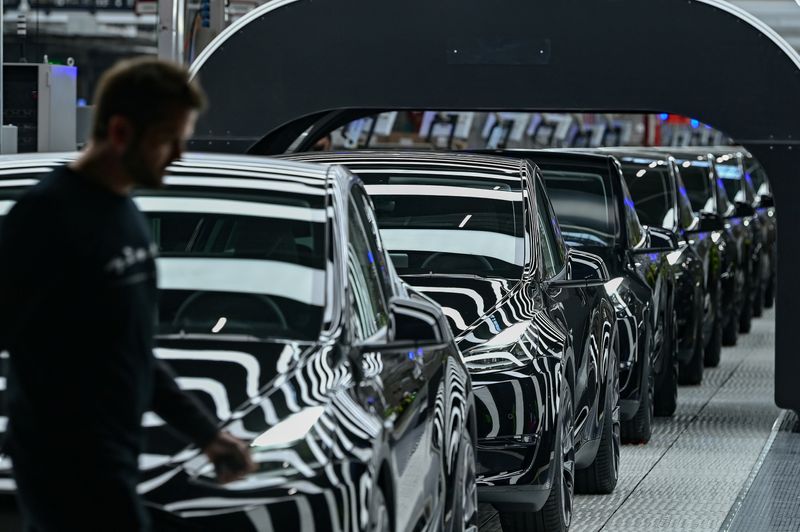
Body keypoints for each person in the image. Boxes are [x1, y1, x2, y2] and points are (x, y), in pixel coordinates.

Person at [0, 57, 256, 531]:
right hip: (64, 465)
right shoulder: (45, 219)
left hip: (112, 456)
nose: (179, 154)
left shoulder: (126, 216)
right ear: (120, 132)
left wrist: (206, 435)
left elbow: (131, 350)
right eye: (167, 139)